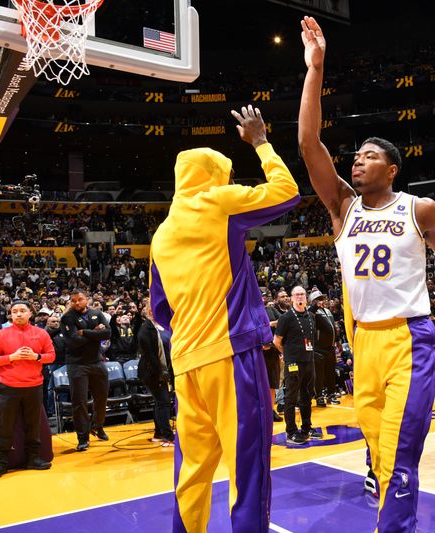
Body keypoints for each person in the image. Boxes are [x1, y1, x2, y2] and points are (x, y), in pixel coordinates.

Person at [298, 16, 435, 530]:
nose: (358, 161)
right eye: (356, 156)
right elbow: (309, 142)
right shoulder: (343, 207)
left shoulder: (419, 208)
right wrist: (316, 68)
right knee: (379, 455)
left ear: (392, 169)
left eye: (370, 156)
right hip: (365, 344)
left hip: (411, 338)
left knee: (401, 457)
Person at [149, 105, 299, 532]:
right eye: (228, 175)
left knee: (192, 470)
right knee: (247, 465)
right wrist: (261, 142)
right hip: (230, 355)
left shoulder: (160, 234)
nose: (232, 182)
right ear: (215, 177)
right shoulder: (218, 201)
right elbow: (287, 192)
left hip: (186, 363)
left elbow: (161, 308)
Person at [0, 300, 55, 479]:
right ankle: (0, 463)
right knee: (5, 427)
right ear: (10, 314)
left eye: (22, 310)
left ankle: (33, 458)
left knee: (33, 426)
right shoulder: (1, 334)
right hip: (9, 387)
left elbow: (51, 356)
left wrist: (36, 356)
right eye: (14, 311)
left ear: (30, 313)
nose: (18, 314)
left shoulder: (41, 333)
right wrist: (12, 357)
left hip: (34, 386)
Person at [60, 288, 112, 451]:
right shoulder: (67, 318)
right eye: (73, 300)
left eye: (80, 299)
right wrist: (95, 332)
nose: (76, 302)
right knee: (80, 402)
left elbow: (108, 333)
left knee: (102, 397)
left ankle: (97, 426)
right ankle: (82, 437)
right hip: (77, 364)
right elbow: (73, 341)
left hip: (97, 361)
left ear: (87, 299)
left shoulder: (96, 313)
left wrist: (87, 333)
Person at [273, 286, 322, 446]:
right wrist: (287, 355)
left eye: (302, 294)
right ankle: (291, 432)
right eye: (297, 294)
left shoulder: (311, 316)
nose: (300, 297)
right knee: (291, 398)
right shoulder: (286, 318)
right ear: (292, 298)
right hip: (293, 363)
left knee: (307, 396)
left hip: (309, 361)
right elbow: (277, 342)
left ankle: (307, 427)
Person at [137, 297, 175, 446]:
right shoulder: (146, 328)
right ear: (149, 311)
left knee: (160, 402)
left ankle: (159, 433)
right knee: (163, 402)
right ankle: (168, 436)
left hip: (164, 370)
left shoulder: (165, 325)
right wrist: (160, 372)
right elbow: (149, 354)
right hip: (152, 371)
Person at [309, 289, 339, 406]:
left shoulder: (327, 311)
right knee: (319, 375)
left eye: (322, 299)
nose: (322, 301)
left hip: (330, 347)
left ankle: (331, 394)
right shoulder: (312, 312)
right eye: (319, 299)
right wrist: (315, 306)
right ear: (313, 301)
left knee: (330, 372)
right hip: (319, 348)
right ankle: (319, 396)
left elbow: (332, 328)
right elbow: (310, 316)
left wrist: (336, 341)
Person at [264, 289, 287, 422]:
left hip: (272, 350)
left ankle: (271, 409)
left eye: (266, 296)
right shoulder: (252, 309)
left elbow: (283, 320)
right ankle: (263, 410)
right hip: (258, 351)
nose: (264, 298)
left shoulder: (271, 309)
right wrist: (271, 324)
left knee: (273, 382)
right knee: (261, 383)